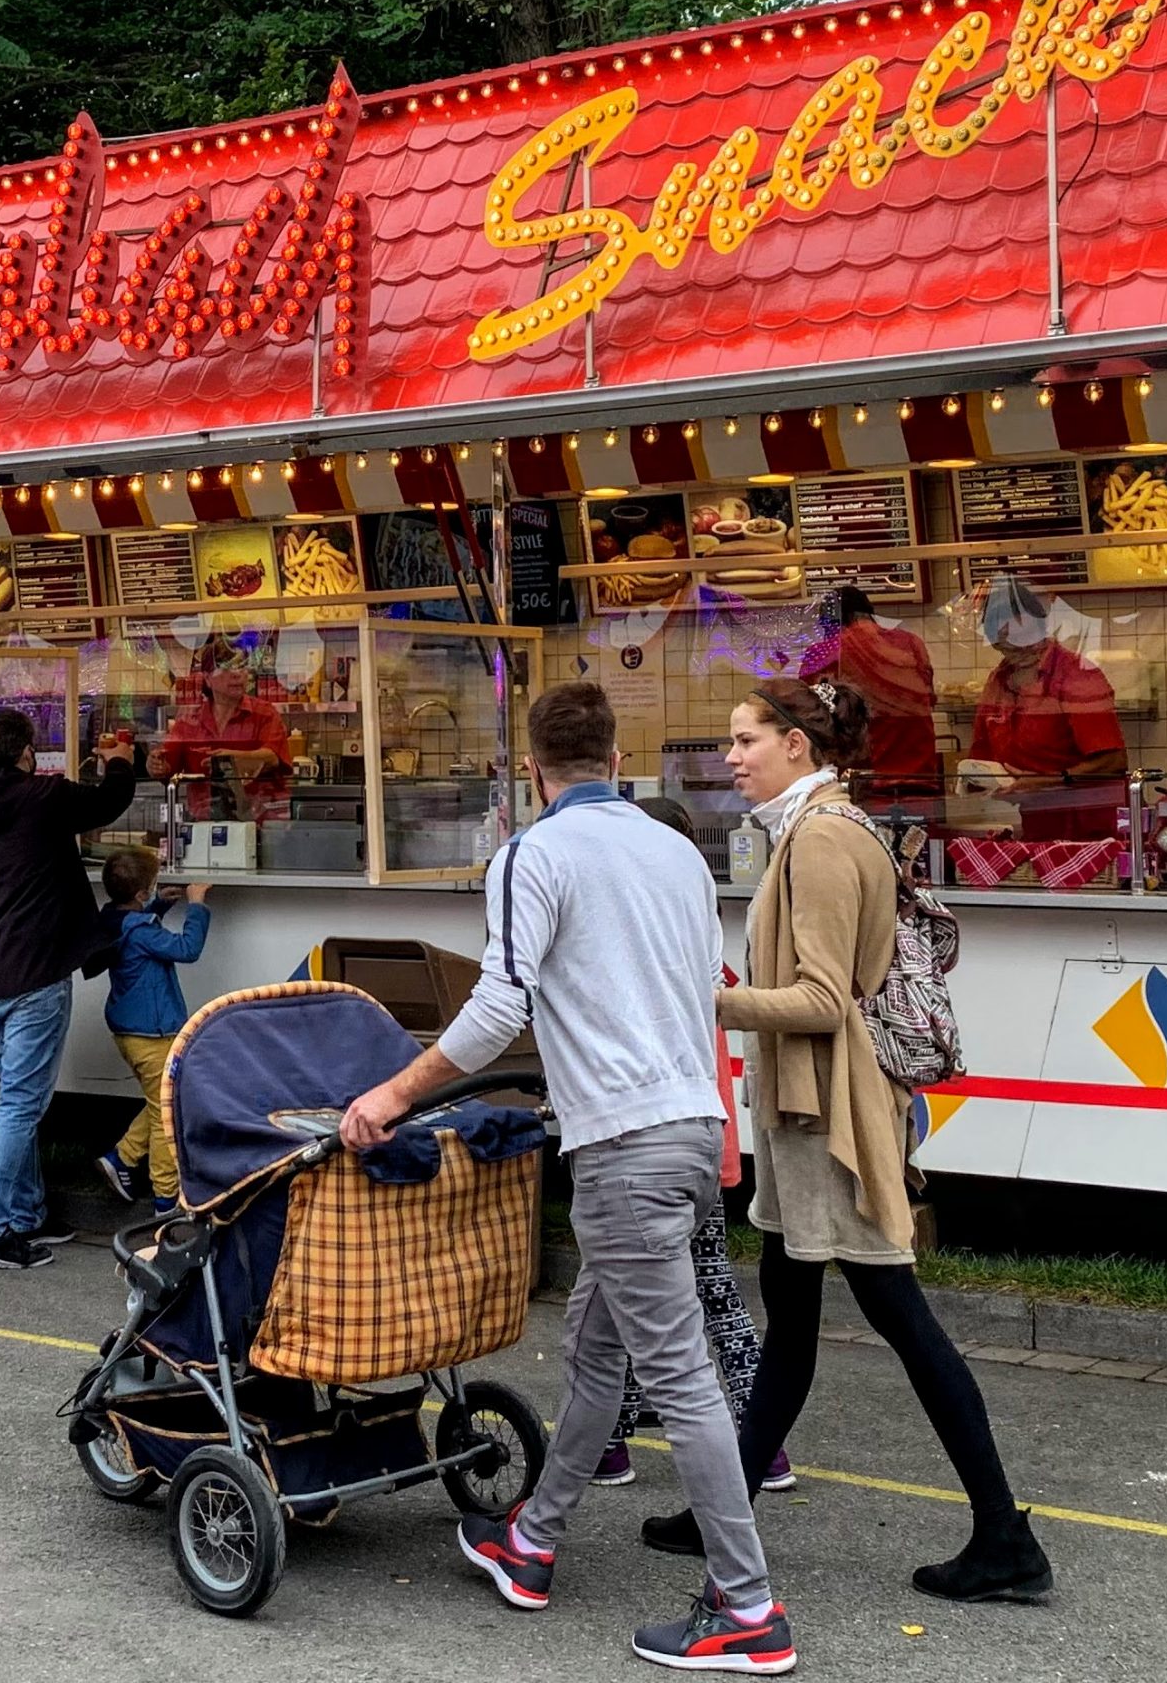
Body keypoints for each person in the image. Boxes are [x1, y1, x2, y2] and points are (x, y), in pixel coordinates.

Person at [341, 681, 794, 1675]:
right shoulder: (675, 849)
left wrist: (393, 1091)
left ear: (530, 762)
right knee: (597, 1354)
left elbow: (498, 1006)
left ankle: (747, 1606)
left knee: (677, 1375)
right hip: (690, 1126)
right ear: (616, 748)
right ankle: (530, 1539)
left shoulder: (532, 854)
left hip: (622, 1141)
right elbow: (696, 986)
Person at [644, 678, 1049, 1606]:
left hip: (830, 1116)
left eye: (746, 739)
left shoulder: (822, 839)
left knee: (899, 1317)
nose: (731, 757)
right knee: (791, 1312)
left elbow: (826, 1001)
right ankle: (725, 1504)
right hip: (811, 1113)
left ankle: (1003, 1534)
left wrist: (697, 997)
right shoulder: (821, 828)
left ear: (796, 743)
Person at [597, 793, 789, 1498]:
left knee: (624, 1301)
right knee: (710, 1294)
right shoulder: (700, 935)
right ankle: (764, 1445)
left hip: (646, 1144)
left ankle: (610, 1446)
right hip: (708, 1145)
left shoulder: (635, 948)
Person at [0, 707, 137, 1271]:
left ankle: (26, 1214)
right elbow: (108, 803)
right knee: (21, 1103)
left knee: (16, 1101)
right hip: (36, 974)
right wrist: (119, 764)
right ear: (28, 752)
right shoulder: (44, 798)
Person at [91, 847, 211, 1210]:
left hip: (129, 1030)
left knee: (160, 1099)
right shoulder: (141, 930)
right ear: (141, 893)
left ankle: (123, 1157)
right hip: (153, 1033)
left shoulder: (114, 919)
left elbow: (136, 931)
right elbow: (187, 948)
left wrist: (159, 904)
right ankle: (165, 1196)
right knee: (166, 1114)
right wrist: (197, 904)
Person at [965, 575, 1126, 839]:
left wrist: (1047, 782)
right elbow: (982, 758)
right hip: (1035, 825)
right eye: (1000, 637)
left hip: (1089, 827)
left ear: (1039, 627)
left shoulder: (1076, 674)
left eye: (1018, 634)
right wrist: (975, 782)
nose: (1010, 643)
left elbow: (1113, 761)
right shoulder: (997, 681)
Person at [150, 643, 295, 821]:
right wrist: (155, 765)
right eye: (225, 668)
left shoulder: (265, 713)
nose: (236, 674)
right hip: (205, 824)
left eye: (241, 666)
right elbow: (167, 766)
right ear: (207, 678)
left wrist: (229, 759)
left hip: (260, 824)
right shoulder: (189, 721)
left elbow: (271, 758)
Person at [832, 588, 943, 806]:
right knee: (918, 838)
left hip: (865, 781)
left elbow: (812, 716)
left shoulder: (830, 650)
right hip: (919, 774)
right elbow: (929, 698)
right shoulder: (912, 643)